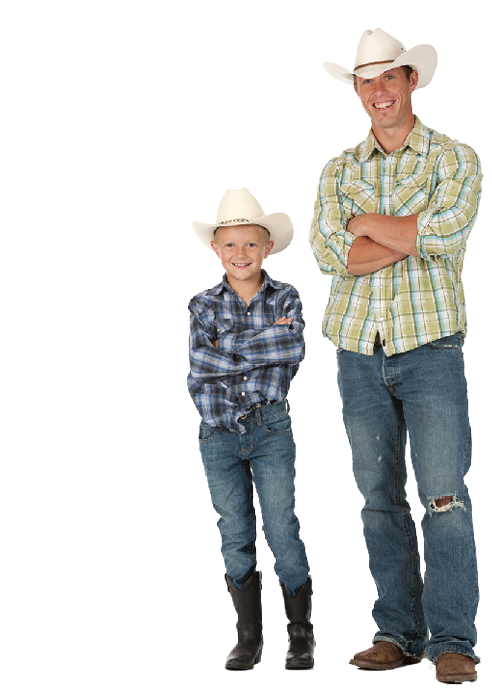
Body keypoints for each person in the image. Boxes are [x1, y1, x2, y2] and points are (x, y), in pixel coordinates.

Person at [309, 29, 483, 684]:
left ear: (411, 82)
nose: (379, 91)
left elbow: (448, 231)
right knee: (378, 497)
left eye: (391, 77)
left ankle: (452, 642)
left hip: (431, 344)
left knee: (443, 496)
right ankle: (398, 633)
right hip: (359, 348)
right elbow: (332, 257)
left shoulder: (453, 158)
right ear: (356, 91)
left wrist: (367, 225)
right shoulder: (337, 171)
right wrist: (409, 235)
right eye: (367, 81)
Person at [188, 187, 315, 671]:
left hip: (270, 427)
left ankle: (300, 633)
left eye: (250, 244)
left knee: (282, 525)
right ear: (216, 250)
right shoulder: (202, 305)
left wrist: (231, 347)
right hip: (217, 432)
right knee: (234, 531)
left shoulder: (287, 296)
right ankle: (248, 635)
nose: (240, 254)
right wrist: (266, 339)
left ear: (267, 248)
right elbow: (200, 362)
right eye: (230, 245)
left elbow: (293, 349)